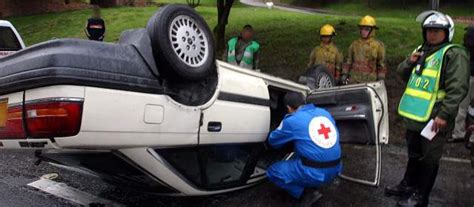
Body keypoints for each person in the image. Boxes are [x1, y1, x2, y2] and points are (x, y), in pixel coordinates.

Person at [386, 11, 469, 207]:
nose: (431, 34)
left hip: (435, 117)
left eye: (436, 31)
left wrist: (444, 115)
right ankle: (407, 185)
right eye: (428, 31)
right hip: (415, 114)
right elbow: (402, 74)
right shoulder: (422, 50)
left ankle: (420, 196)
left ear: (446, 32)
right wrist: (410, 61)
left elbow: (457, 89)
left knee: (429, 157)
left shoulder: (453, 54)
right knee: (414, 152)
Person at [266, 92, 342, 205]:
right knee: (304, 148)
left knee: (273, 171)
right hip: (337, 168)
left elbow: (273, 141)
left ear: (288, 108)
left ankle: (305, 194)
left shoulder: (292, 120)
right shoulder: (324, 113)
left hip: (315, 172)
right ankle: (310, 181)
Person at [342, 15, 387, 84]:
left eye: (367, 29)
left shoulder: (378, 46)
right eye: (362, 29)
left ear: (372, 30)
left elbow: (381, 65)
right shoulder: (354, 45)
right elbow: (348, 61)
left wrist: (380, 79)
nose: (363, 31)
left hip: (370, 82)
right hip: (353, 81)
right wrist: (344, 74)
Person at [449, 26, 474, 143]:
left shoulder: (466, 50)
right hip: (468, 76)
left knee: (462, 107)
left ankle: (459, 133)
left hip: (468, 77)